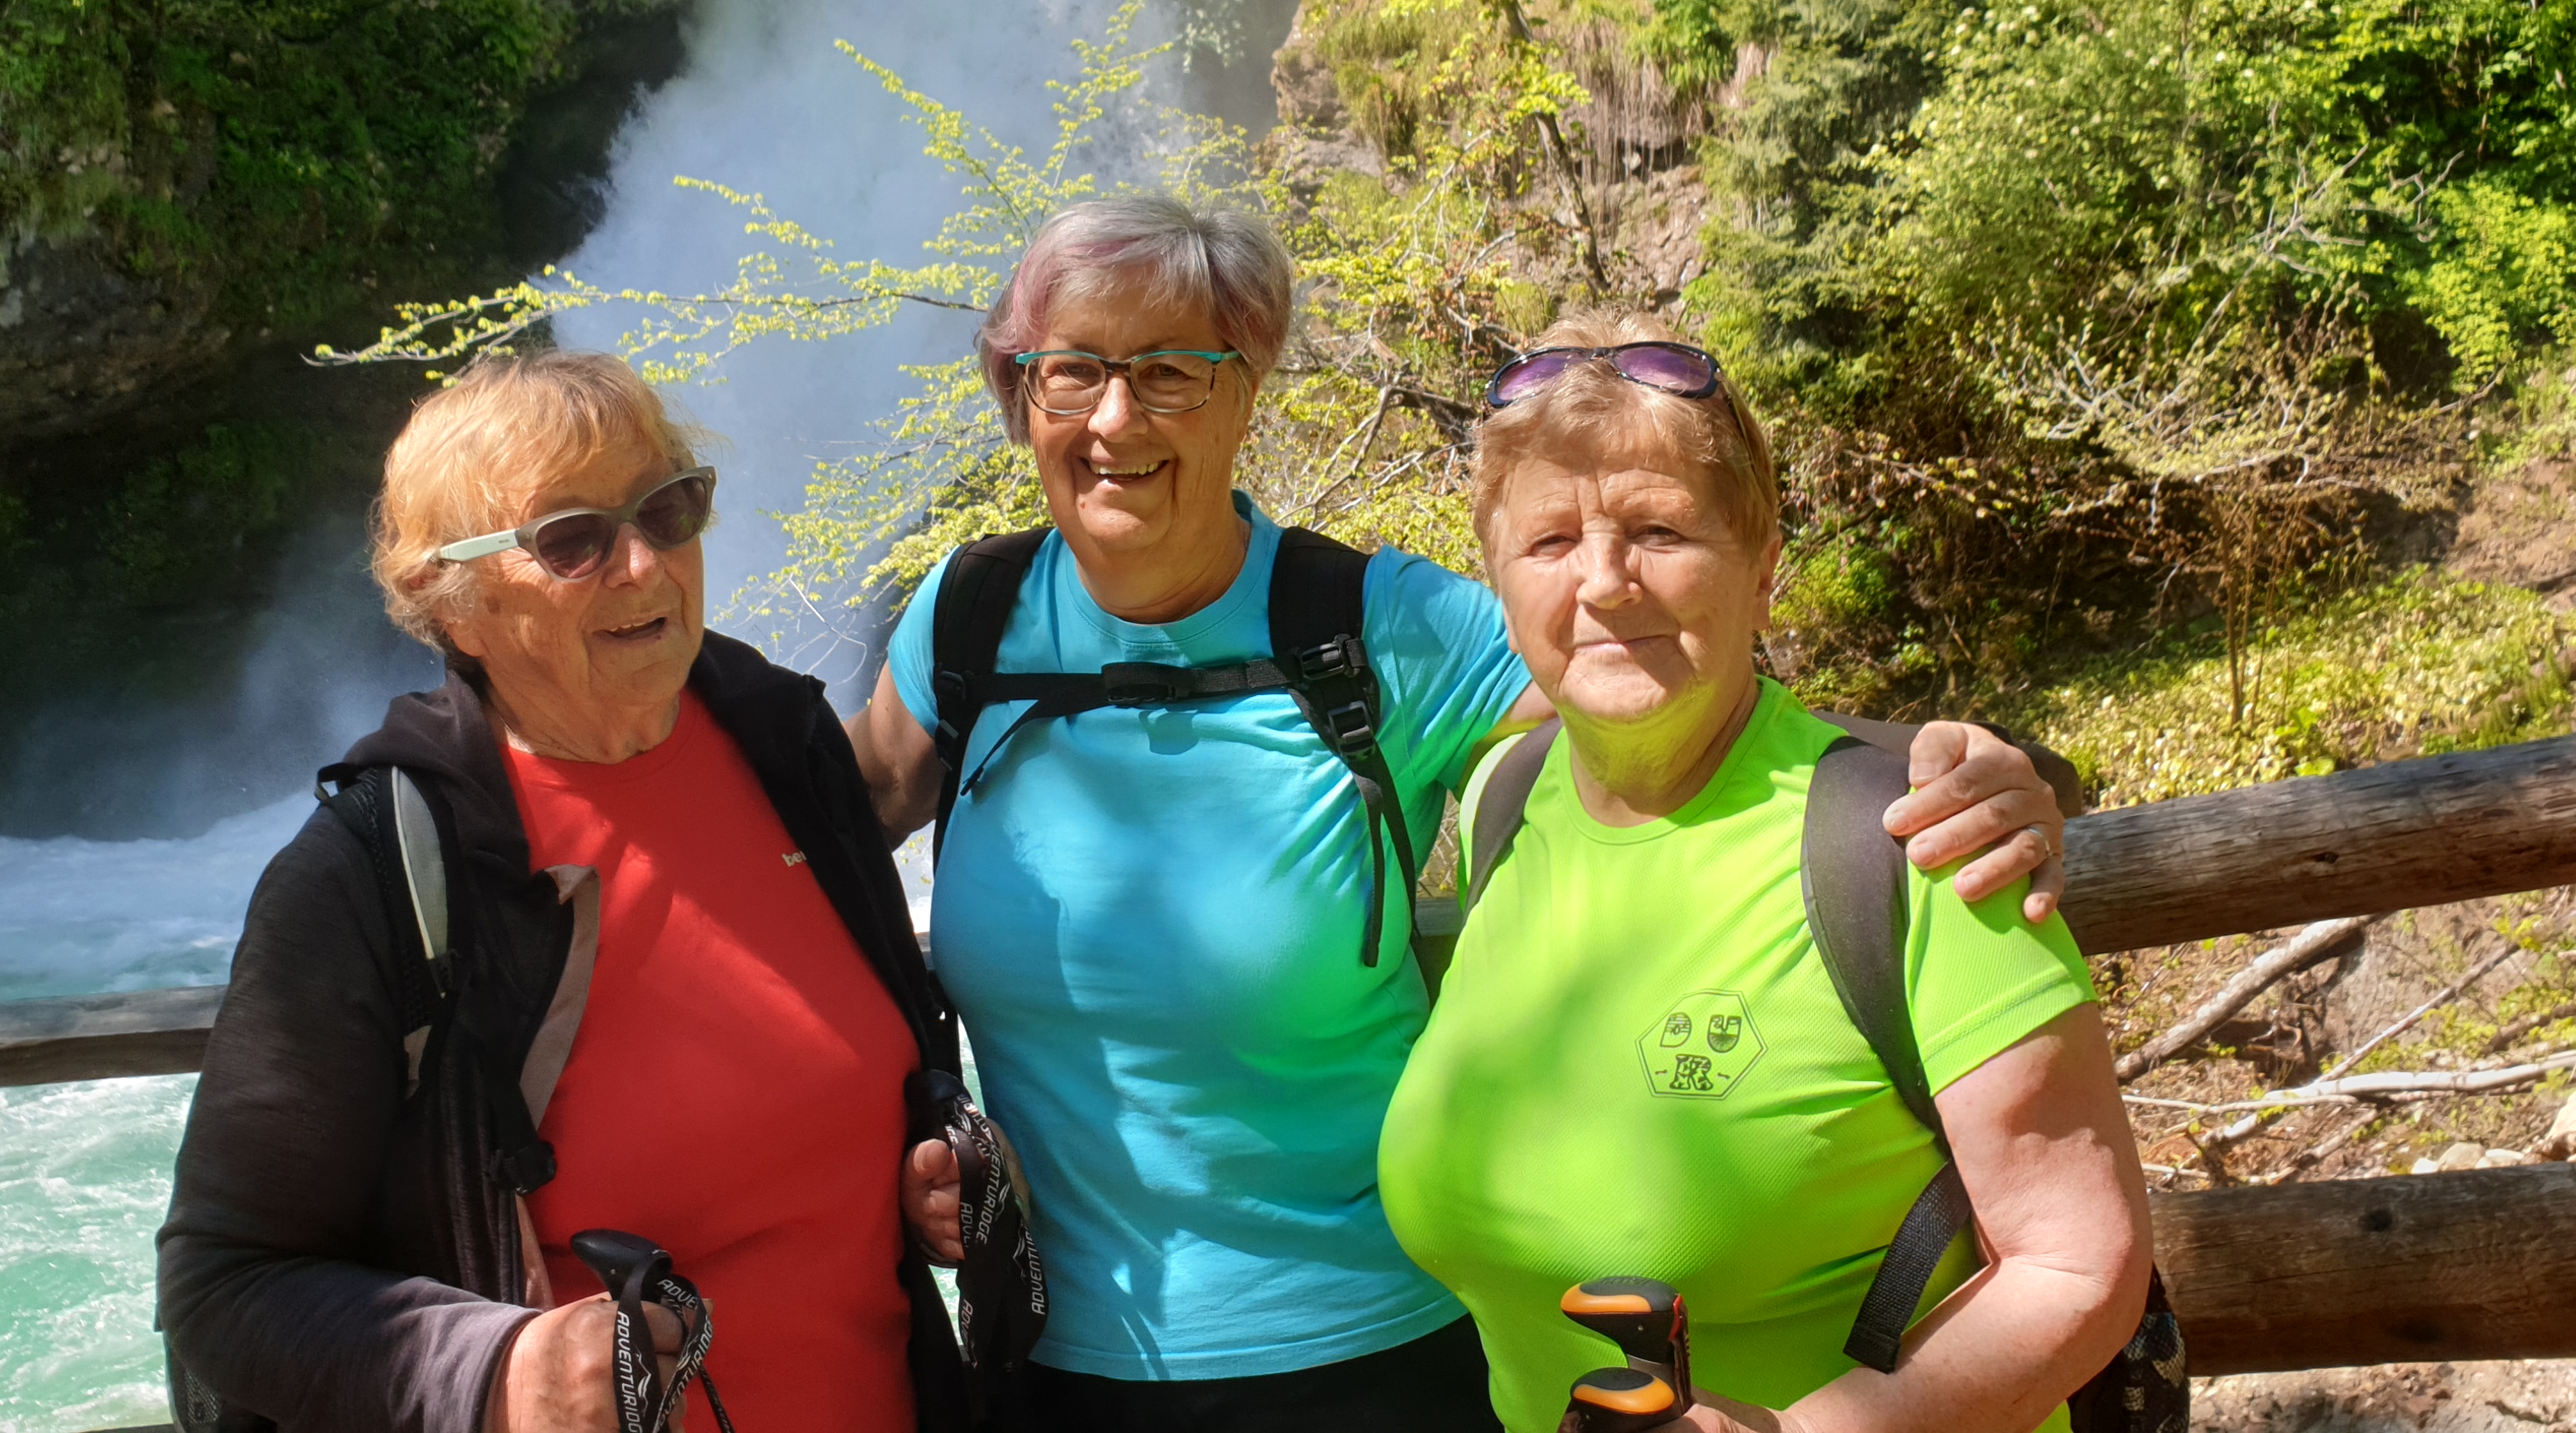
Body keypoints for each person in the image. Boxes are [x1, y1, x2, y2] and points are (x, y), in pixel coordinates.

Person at [847, 199, 2079, 1430]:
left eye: (1169, 371)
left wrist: (1957, 768)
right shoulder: (970, 621)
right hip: (1042, 1358)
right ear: (1022, 396)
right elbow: (813, 837)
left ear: (1245, 390)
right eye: (1073, 371)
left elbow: (1662, 692)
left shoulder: (1372, 629)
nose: (1116, 418)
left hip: (1364, 1359)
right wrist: (897, 1140)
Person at [158, 352, 977, 1433]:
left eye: (667, 510)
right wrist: (496, 1373)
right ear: (451, 605)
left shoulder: (789, 750)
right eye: (572, 539)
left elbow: (842, 1101)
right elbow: (221, 1283)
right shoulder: (375, 873)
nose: (642, 565)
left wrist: (926, 1171)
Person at [1377, 314, 2154, 1433]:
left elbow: (2080, 1265)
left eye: (1659, 530)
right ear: (1499, 582)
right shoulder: (1506, 796)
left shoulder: (1912, 841)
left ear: (1764, 566)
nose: (1604, 583)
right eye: (1549, 543)